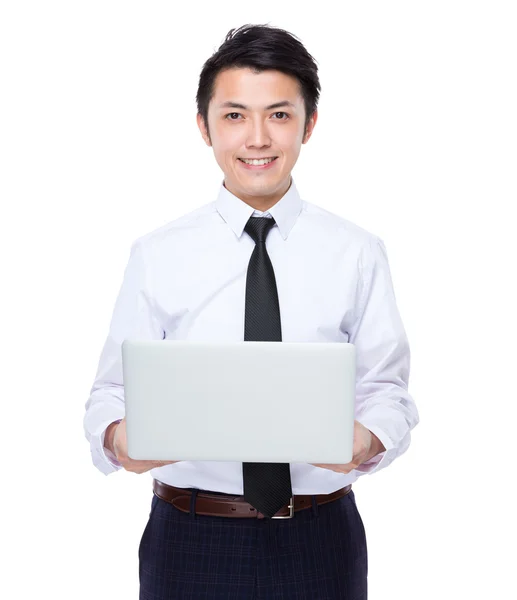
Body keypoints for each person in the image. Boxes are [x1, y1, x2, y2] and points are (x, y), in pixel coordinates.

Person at [83, 23, 419, 600]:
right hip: (188, 536)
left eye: (279, 115)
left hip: (321, 535)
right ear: (204, 126)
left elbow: (388, 389)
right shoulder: (158, 253)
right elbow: (111, 392)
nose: (257, 138)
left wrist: (370, 439)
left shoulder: (357, 252)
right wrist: (118, 439)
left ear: (309, 124)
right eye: (235, 115)